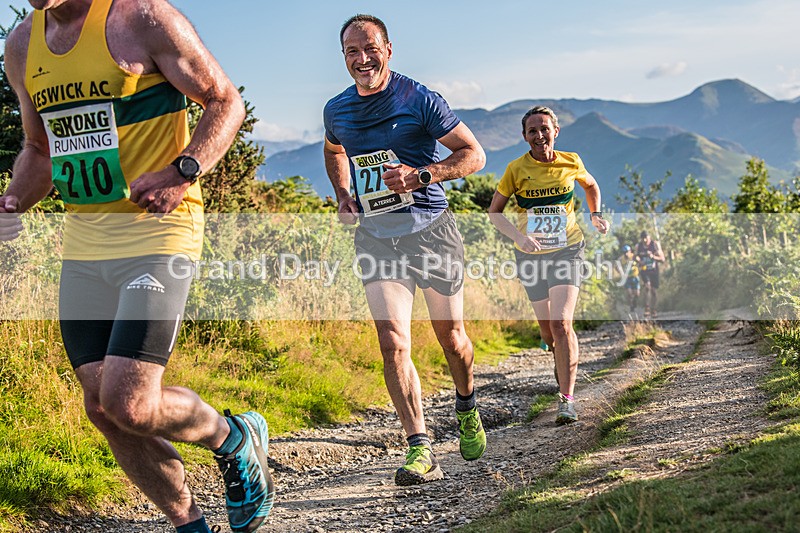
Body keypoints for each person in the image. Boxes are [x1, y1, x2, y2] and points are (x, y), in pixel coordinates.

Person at [0, 1, 273, 531]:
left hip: (158, 232)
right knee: (102, 408)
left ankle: (233, 437)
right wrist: (11, 202)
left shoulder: (142, 18)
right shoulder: (21, 44)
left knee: (130, 404)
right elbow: (40, 148)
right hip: (86, 242)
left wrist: (182, 170)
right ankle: (190, 524)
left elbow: (224, 100)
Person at [323, 14, 487, 485]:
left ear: (388, 50)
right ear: (344, 57)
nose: (362, 59)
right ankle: (420, 446)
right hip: (377, 237)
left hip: (431, 231)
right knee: (393, 341)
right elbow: (334, 151)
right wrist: (343, 194)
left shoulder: (418, 98)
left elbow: (474, 155)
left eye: (370, 49)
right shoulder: (336, 109)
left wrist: (423, 175)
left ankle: (466, 405)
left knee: (452, 339)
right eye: (352, 51)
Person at [488, 106, 610, 425]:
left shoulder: (572, 161)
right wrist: (520, 237)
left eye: (545, 129)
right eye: (533, 131)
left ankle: (566, 400)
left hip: (567, 250)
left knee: (562, 323)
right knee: (548, 332)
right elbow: (494, 213)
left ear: (556, 131)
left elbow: (591, 186)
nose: (539, 135)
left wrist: (595, 215)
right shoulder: (516, 169)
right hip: (530, 256)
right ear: (524, 136)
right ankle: (557, 351)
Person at [636, 230, 665, 319]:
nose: (645, 240)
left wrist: (653, 257)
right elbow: (635, 256)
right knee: (647, 287)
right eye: (643, 239)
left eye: (646, 238)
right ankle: (647, 309)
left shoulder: (655, 244)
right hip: (645, 270)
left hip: (654, 270)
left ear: (649, 237)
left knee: (654, 291)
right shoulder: (638, 246)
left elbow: (662, 259)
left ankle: (654, 310)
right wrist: (639, 261)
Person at [617, 244, 641, 317]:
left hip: (635, 277)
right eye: (624, 252)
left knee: (637, 294)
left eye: (627, 252)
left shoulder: (634, 256)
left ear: (630, 251)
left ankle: (635, 303)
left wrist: (639, 267)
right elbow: (618, 267)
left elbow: (640, 262)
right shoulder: (621, 259)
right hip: (627, 278)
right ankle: (631, 306)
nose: (626, 254)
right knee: (629, 293)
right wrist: (621, 273)